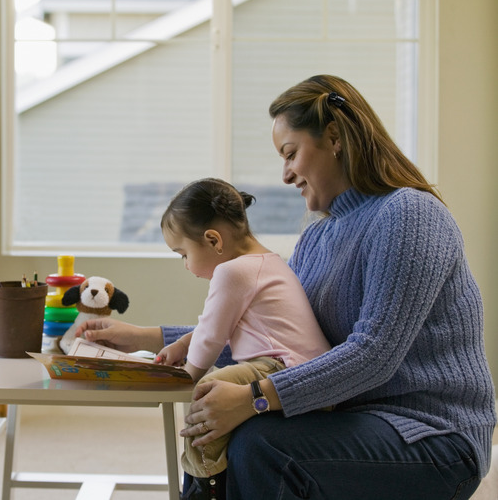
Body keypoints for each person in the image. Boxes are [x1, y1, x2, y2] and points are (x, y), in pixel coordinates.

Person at [76, 75, 497, 499]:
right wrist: (142, 339)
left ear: (334, 137)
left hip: (433, 436)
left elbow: (374, 355)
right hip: (352, 415)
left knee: (261, 443)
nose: (284, 174)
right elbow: (274, 337)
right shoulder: (317, 236)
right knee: (232, 432)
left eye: (290, 154)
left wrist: (254, 397)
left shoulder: (408, 214)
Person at [153, 177, 330, 499]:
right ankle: (208, 477)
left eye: (182, 253)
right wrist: (182, 344)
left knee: (206, 392)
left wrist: (188, 375)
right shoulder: (266, 262)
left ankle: (205, 486)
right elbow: (215, 324)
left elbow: (212, 338)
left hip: (283, 368)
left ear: (212, 240)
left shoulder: (232, 271)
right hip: (301, 371)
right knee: (216, 393)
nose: (185, 265)